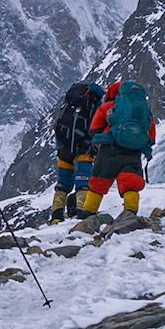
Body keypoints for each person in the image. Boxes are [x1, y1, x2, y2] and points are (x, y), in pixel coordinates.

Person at [79, 80, 155, 218]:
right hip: (133, 152)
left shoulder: (108, 107)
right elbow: (151, 136)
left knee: (99, 180)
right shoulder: (144, 112)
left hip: (109, 150)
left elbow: (94, 130)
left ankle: (88, 212)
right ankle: (130, 213)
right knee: (130, 182)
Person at [50, 81, 105, 223]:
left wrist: (60, 147)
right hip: (84, 149)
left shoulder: (70, 103)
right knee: (83, 181)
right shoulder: (95, 103)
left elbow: (58, 125)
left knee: (62, 185)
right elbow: (97, 127)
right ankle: (83, 216)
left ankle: (56, 217)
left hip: (65, 149)